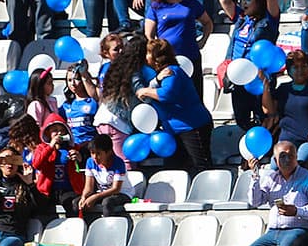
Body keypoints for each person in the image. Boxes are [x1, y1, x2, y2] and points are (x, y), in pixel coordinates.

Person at [136, 38, 214, 174]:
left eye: (148, 52)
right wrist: (156, 81)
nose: (145, 56)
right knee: (173, 169)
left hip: (192, 127)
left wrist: (145, 90)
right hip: (173, 130)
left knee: (202, 167)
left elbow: (167, 95)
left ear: (157, 56)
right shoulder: (160, 74)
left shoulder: (173, 72)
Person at [242, 141, 308, 246]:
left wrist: (296, 211)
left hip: (298, 228)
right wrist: (255, 177)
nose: (287, 160)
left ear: (296, 157)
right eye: (282, 156)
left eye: (290, 156)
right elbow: (255, 202)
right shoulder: (271, 178)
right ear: (275, 160)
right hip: (273, 231)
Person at [221, 0, 280, 130]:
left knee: (263, 117)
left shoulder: (269, 20)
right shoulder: (241, 19)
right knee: (242, 118)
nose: (243, 3)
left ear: (258, 2)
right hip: (238, 75)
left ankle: (264, 150)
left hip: (259, 75)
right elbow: (224, 0)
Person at [145, 0, 212, 96]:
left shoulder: (191, 4)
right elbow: (149, 34)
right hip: (166, 60)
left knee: (194, 94)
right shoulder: (156, 6)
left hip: (191, 56)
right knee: (170, 93)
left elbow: (208, 23)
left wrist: (203, 40)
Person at [94, 35, 152, 165]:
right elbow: (141, 93)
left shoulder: (117, 66)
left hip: (103, 119)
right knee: (126, 163)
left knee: (109, 164)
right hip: (117, 122)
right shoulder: (133, 70)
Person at [79, 133, 130, 224]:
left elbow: (116, 189)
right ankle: (87, 228)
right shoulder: (90, 162)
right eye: (92, 153)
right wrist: (84, 197)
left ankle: (109, 230)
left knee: (107, 203)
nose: (95, 157)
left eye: (98, 153)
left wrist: (95, 197)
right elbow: (88, 188)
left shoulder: (118, 163)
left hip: (122, 193)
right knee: (78, 203)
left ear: (108, 152)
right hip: (102, 193)